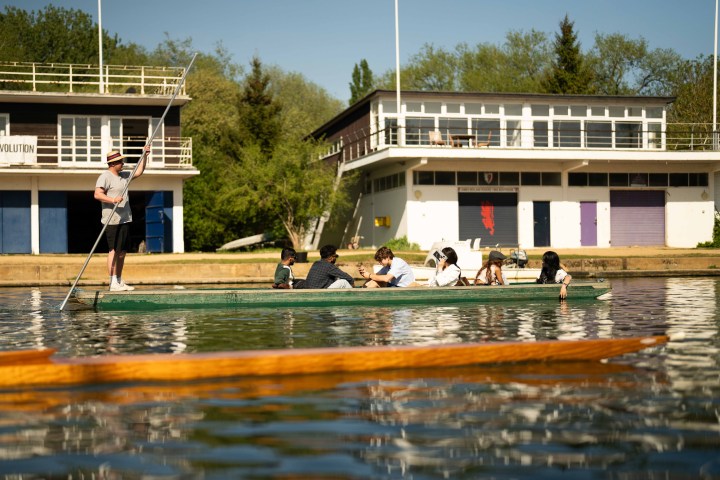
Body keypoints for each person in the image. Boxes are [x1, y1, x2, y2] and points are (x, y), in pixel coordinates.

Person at [94, 146, 150, 292]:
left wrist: (144, 155)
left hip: (125, 219)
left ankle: (119, 280)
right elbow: (97, 194)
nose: (123, 163)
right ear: (112, 163)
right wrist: (112, 199)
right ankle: (112, 282)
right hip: (112, 220)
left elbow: (139, 171)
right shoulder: (105, 176)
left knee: (123, 251)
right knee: (113, 250)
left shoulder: (124, 175)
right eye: (120, 161)